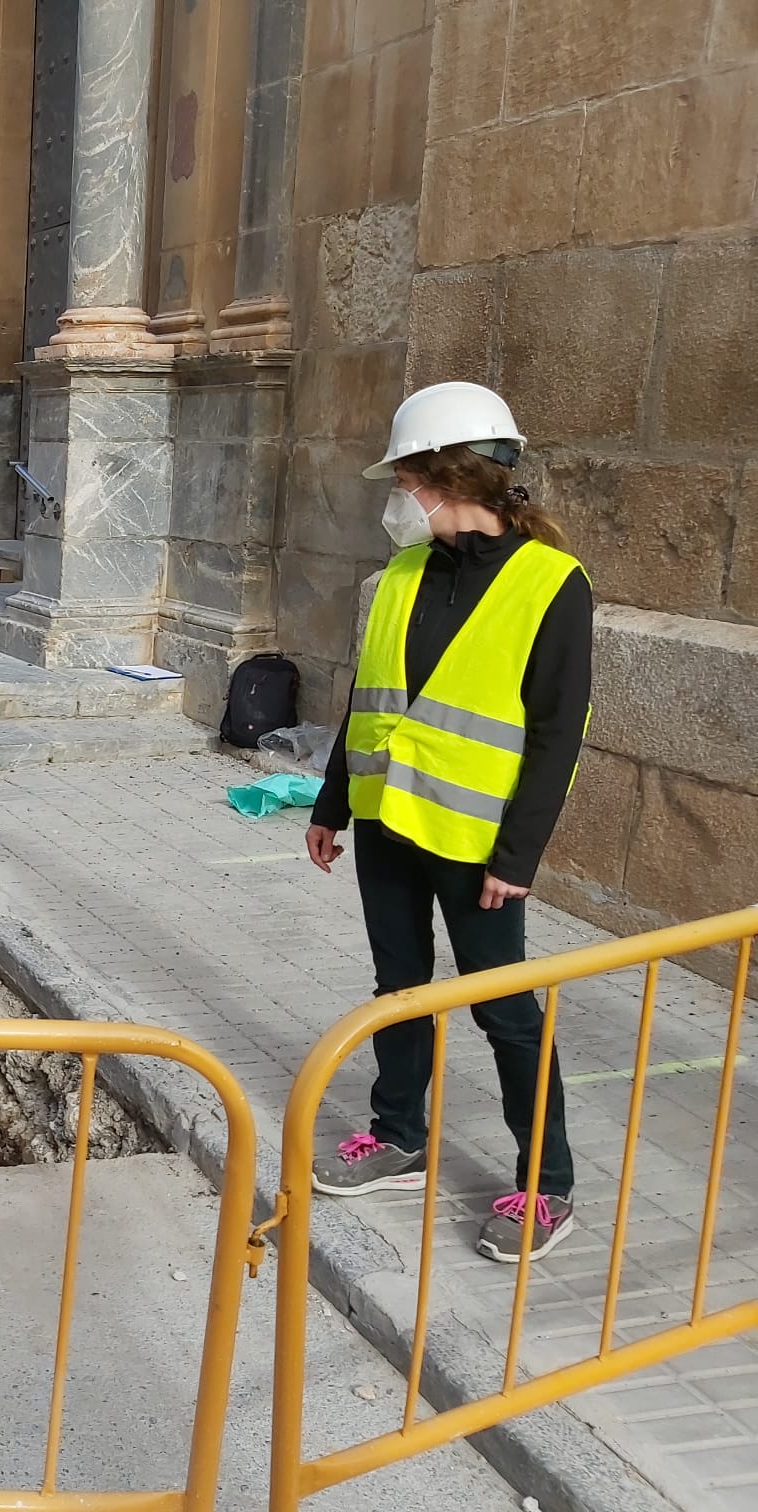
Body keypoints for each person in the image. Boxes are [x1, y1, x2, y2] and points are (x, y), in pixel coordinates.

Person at [304, 382, 592, 1264]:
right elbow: (368, 696)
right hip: (386, 824)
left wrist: (521, 856)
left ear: (443, 476)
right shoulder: (401, 572)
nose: (398, 499)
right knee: (400, 987)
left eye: (405, 480)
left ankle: (548, 1187)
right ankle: (399, 1138)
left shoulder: (551, 583)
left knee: (502, 1012)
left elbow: (556, 732)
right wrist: (331, 804)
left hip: (477, 848)